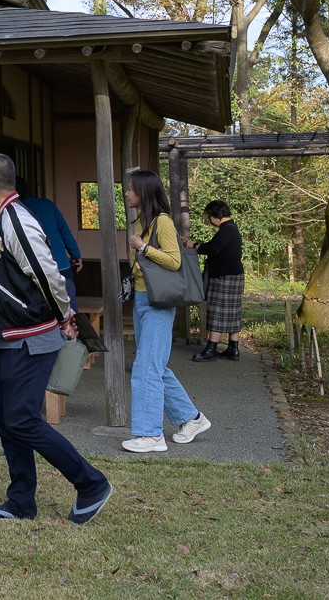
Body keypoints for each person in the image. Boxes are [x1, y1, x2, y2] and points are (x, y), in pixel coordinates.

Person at [0, 153, 112, 524]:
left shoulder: (16, 220)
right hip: (12, 337)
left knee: (21, 418)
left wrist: (64, 316)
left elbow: (49, 274)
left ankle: (91, 484)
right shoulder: (2, 219)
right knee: (7, 419)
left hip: (30, 336)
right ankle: (20, 502)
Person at [122, 168, 212, 452]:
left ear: (144, 192)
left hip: (158, 303)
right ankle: (191, 419)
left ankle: (151, 435)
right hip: (142, 299)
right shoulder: (143, 221)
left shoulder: (162, 221)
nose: (127, 193)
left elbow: (174, 261)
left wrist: (143, 248)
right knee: (154, 366)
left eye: (131, 189)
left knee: (146, 367)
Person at [184, 200, 244, 362]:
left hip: (224, 277)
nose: (210, 219)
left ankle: (211, 348)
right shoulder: (231, 228)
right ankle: (233, 348)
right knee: (233, 312)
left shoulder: (227, 230)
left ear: (217, 215)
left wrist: (194, 245)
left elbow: (213, 249)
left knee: (217, 311)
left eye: (210, 216)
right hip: (234, 275)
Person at [15, 176, 82, 310]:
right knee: (69, 307)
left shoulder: (15, 211)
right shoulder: (47, 205)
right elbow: (65, 231)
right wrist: (76, 255)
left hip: (34, 269)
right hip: (60, 264)